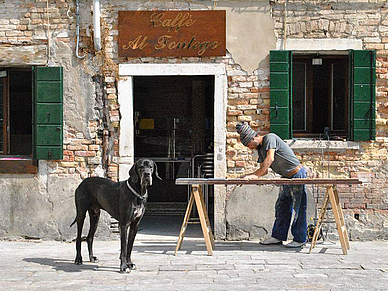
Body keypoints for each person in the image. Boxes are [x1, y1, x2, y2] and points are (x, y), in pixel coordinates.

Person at [236, 122, 307, 248]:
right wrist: (248, 176)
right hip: (285, 177)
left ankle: (300, 238)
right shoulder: (260, 149)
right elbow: (264, 170)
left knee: (299, 207)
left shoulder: (270, 138)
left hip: (296, 174)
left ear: (253, 138)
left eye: (249, 145)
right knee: (282, 206)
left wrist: (255, 175)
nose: (250, 148)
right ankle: (278, 236)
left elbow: (270, 160)